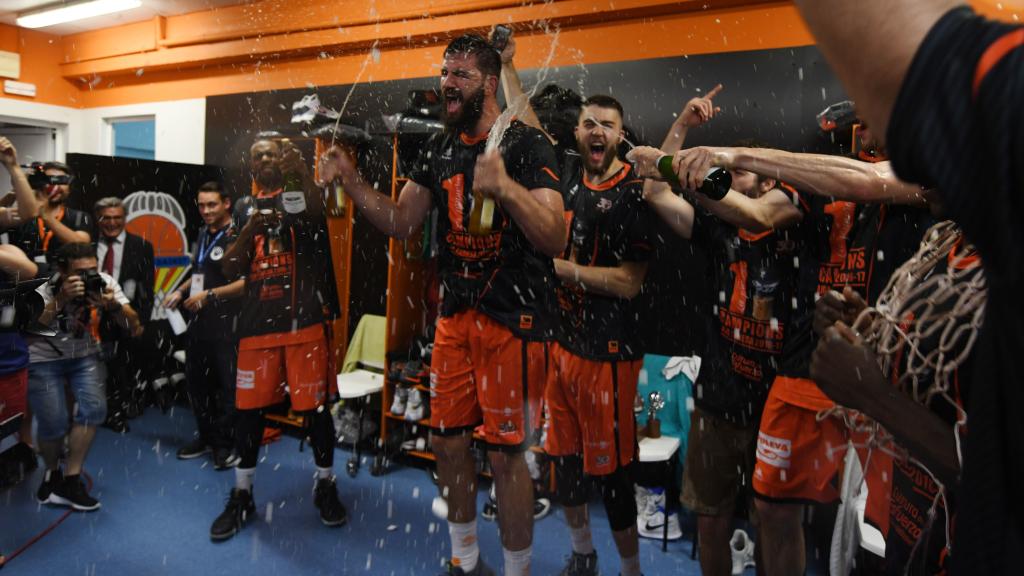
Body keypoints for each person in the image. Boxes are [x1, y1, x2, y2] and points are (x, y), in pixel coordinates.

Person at [631, 121, 931, 576]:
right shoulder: (729, 228)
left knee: (878, 531)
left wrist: (718, 157)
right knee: (767, 514)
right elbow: (740, 208)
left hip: (875, 377)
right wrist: (674, 164)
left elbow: (863, 183)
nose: (860, 117)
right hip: (770, 384)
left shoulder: (912, 176)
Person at [320, 33, 565, 576]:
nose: (446, 84)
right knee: (447, 442)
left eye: (459, 75)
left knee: (506, 457)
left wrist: (507, 190)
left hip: (514, 321)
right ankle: (465, 560)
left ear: (488, 81)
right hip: (455, 318)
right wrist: (354, 180)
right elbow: (401, 222)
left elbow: (554, 238)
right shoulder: (437, 147)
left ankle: (519, 570)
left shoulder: (527, 145)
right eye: (445, 72)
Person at [791, 2, 1024, 571]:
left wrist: (871, 393)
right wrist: (871, 326)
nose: (907, 155)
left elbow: (999, 476)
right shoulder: (950, 241)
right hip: (917, 516)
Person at [631, 87, 804, 575]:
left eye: (748, 172)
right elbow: (654, 191)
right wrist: (683, 122)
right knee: (711, 520)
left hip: (776, 403)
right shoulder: (716, 226)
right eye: (737, 171)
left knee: (775, 523)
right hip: (719, 400)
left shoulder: (794, 224)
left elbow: (760, 212)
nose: (738, 179)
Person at [498, 33, 651, 575]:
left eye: (607, 125)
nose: (596, 131)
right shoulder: (562, 170)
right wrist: (509, 64)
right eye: (589, 122)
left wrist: (564, 271)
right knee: (563, 468)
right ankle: (583, 556)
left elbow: (631, 282)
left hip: (609, 355)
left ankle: (630, 570)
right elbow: (522, 117)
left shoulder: (636, 193)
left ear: (619, 135)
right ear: (579, 130)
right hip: (561, 347)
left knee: (613, 477)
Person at [812, 212, 983, 574]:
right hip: (911, 533)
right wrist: (869, 334)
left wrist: (872, 395)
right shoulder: (949, 243)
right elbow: (942, 375)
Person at [213, 136, 345, 540]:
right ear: (251, 164)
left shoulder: (296, 194)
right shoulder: (240, 208)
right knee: (248, 413)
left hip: (302, 323)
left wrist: (297, 174)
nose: (266, 159)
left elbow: (312, 221)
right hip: (257, 328)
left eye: (272, 153)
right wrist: (251, 226)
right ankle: (242, 493)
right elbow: (229, 267)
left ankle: (325, 483)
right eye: (259, 155)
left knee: (316, 411)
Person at [28, 241, 139, 511]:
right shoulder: (44, 282)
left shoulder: (103, 282)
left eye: (92, 269)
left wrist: (112, 306)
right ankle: (52, 472)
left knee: (93, 411)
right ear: (62, 270)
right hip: (44, 358)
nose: (88, 276)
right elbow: (29, 330)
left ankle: (72, 477)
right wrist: (62, 298)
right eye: (80, 272)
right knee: (53, 423)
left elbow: (135, 327)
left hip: (85, 355)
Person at [164, 181, 244, 470]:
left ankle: (224, 445)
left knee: (227, 389)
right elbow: (200, 271)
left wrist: (209, 296)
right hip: (198, 324)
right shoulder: (202, 232)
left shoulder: (237, 235)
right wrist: (180, 290)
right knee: (198, 386)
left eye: (212, 204)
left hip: (227, 325)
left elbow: (246, 284)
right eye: (201, 205)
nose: (206, 210)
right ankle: (207, 437)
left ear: (226, 203)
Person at [0, 137, 42, 476]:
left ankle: (21, 450)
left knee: (11, 417)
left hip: (5, 346)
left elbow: (27, 214)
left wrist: (13, 166)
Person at [93, 197, 152, 431]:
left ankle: (117, 411)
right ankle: (96, 409)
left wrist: (141, 320)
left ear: (125, 219)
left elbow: (147, 288)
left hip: (126, 313)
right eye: (106, 218)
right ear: (98, 219)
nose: (112, 223)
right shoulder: (87, 245)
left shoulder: (142, 246)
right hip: (92, 316)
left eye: (117, 218)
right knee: (96, 365)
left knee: (122, 366)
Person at [16, 161, 91, 271]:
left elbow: (81, 246)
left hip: (63, 280)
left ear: (69, 187)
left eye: (61, 180)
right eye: (49, 180)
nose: (55, 186)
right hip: (24, 279)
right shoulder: (23, 215)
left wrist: (45, 215)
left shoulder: (79, 217)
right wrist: (20, 186)